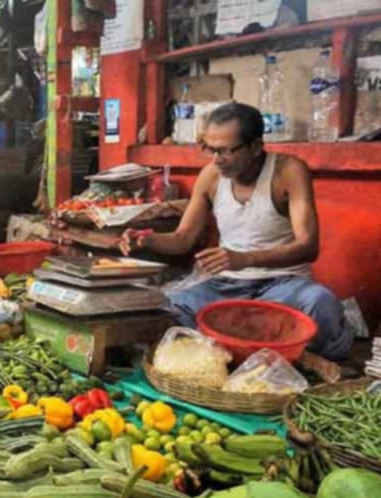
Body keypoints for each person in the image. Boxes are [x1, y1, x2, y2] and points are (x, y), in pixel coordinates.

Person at [120, 102, 352, 360]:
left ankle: (311, 369)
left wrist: (245, 259)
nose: (216, 160)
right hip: (226, 285)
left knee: (321, 304)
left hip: (285, 284)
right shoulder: (211, 177)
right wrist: (147, 240)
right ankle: (226, 362)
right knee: (170, 308)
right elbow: (182, 239)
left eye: (225, 151)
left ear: (255, 146)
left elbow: (308, 246)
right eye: (210, 149)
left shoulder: (288, 171)